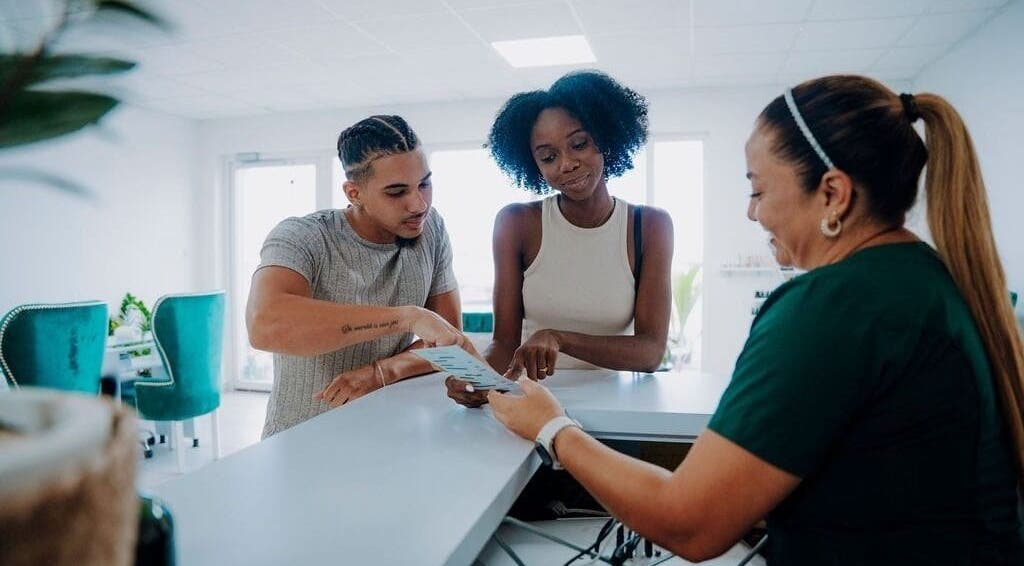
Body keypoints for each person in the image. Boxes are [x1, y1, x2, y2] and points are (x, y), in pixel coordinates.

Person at [485, 75, 1024, 564]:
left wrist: (552, 428)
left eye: (758, 190)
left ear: (833, 194)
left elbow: (688, 523)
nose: (752, 212)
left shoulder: (828, 308)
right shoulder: (929, 278)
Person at [446, 70, 674, 406]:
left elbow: (650, 352)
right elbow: (505, 343)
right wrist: (477, 377)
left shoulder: (650, 226)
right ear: (534, 165)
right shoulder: (516, 224)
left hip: (617, 406)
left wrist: (559, 338)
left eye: (579, 144)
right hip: (534, 404)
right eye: (548, 157)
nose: (567, 164)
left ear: (605, 137)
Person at [247, 115, 478, 438]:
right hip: (302, 438)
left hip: (391, 431)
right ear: (354, 193)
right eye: (396, 192)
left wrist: (381, 372)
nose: (419, 204)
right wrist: (407, 318)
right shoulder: (303, 236)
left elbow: (447, 336)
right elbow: (265, 325)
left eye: (424, 184)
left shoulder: (431, 230)